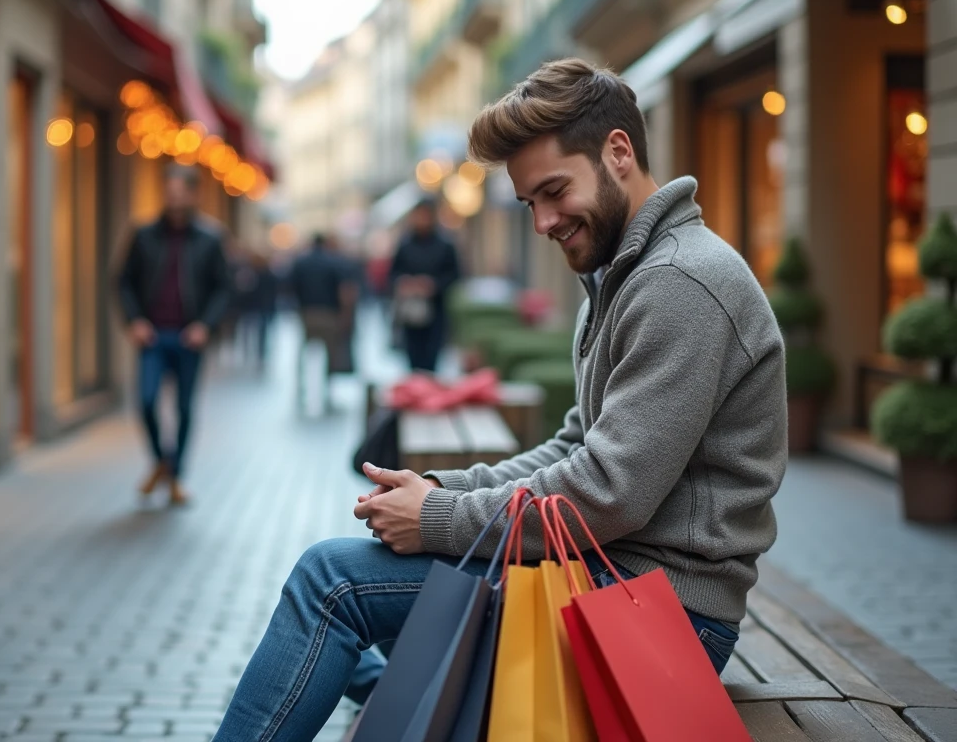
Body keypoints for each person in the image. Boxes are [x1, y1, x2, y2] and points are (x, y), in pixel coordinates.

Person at [213, 58, 787, 740]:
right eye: (528, 203)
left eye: (553, 191)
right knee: (385, 648)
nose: (543, 221)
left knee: (331, 584)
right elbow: (577, 443)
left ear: (619, 152)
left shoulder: (679, 283)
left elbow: (609, 492)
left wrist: (438, 517)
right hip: (616, 584)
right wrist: (440, 487)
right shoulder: (625, 276)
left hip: (660, 618)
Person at [118, 164, 230, 505]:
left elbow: (223, 289)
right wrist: (135, 320)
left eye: (181, 190)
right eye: (168, 189)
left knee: (183, 407)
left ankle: (176, 477)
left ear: (194, 194)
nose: (174, 196)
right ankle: (162, 462)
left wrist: (205, 326)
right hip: (152, 336)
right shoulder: (143, 234)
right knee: (147, 401)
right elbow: (123, 281)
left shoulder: (210, 238)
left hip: (188, 338)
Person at [389, 198, 461, 372]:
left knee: (431, 358)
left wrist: (433, 285)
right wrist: (405, 283)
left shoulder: (445, 245)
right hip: (410, 311)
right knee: (412, 357)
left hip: (435, 311)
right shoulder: (405, 244)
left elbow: (455, 275)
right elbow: (393, 274)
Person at [288, 233, 355, 411]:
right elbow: (344, 291)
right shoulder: (333, 262)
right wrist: (345, 315)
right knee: (330, 354)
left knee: (303, 352)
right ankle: (327, 391)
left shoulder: (301, 262)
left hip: (307, 312)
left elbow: (290, 287)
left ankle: (300, 388)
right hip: (329, 313)